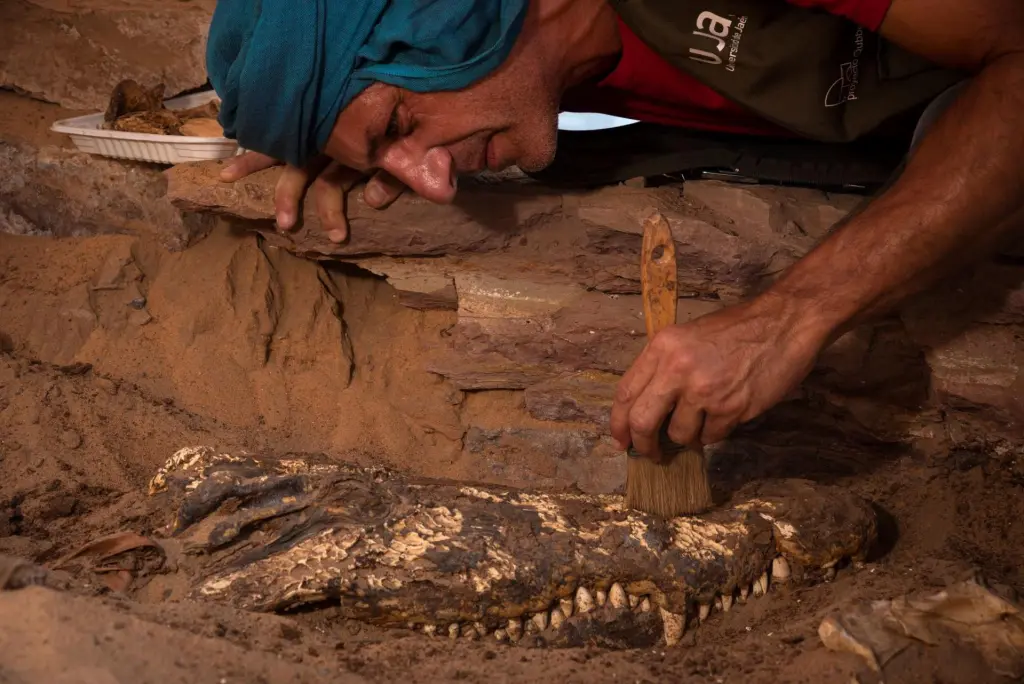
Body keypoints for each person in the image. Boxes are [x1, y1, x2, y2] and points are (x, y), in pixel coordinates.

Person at [206, 0, 1024, 462]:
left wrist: (790, 318)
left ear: (450, 15)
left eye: (402, 121)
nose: (434, 179)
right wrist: (340, 134)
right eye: (387, 161)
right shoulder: (546, 68)